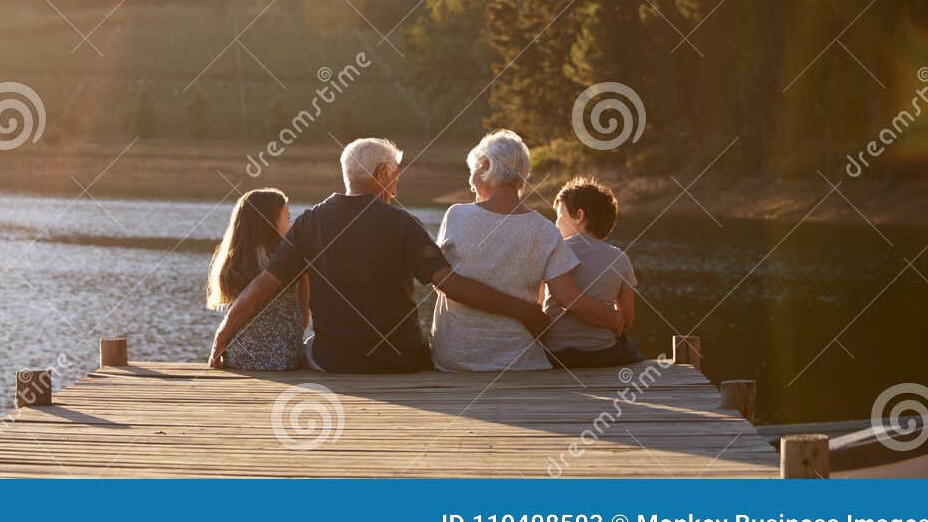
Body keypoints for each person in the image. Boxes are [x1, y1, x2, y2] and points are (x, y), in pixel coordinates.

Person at [209, 137, 549, 373]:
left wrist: (221, 339)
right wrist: (524, 311)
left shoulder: (309, 223)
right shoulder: (402, 223)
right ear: (382, 174)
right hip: (403, 360)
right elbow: (450, 284)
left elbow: (262, 287)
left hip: (335, 361)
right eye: (395, 176)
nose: (396, 187)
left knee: (311, 346)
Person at [430, 131, 623, 372]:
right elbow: (569, 299)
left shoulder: (456, 215)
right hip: (518, 361)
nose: (470, 183)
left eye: (472, 171)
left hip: (455, 359)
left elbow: (442, 281)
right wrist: (614, 319)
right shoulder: (545, 230)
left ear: (486, 166)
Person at [543, 177, 644, 368]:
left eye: (558, 216)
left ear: (579, 216)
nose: (555, 224)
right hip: (602, 354)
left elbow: (540, 307)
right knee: (630, 348)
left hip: (556, 356)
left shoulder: (552, 252)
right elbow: (628, 319)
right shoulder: (619, 258)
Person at [206, 188, 308, 370]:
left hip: (241, 358)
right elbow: (303, 320)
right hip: (285, 360)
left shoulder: (233, 263)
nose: (291, 226)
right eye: (288, 219)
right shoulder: (293, 261)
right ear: (269, 222)